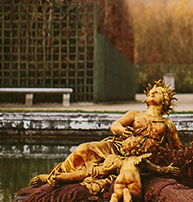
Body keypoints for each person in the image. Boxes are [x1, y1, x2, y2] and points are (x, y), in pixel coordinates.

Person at [31, 80, 182, 187]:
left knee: (101, 171)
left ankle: (60, 178)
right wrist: (122, 130)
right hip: (120, 147)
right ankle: (57, 173)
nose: (153, 93)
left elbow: (179, 147)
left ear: (165, 100)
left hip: (141, 156)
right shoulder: (135, 114)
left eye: (158, 92)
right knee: (83, 149)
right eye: (151, 92)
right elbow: (115, 125)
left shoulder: (168, 124)